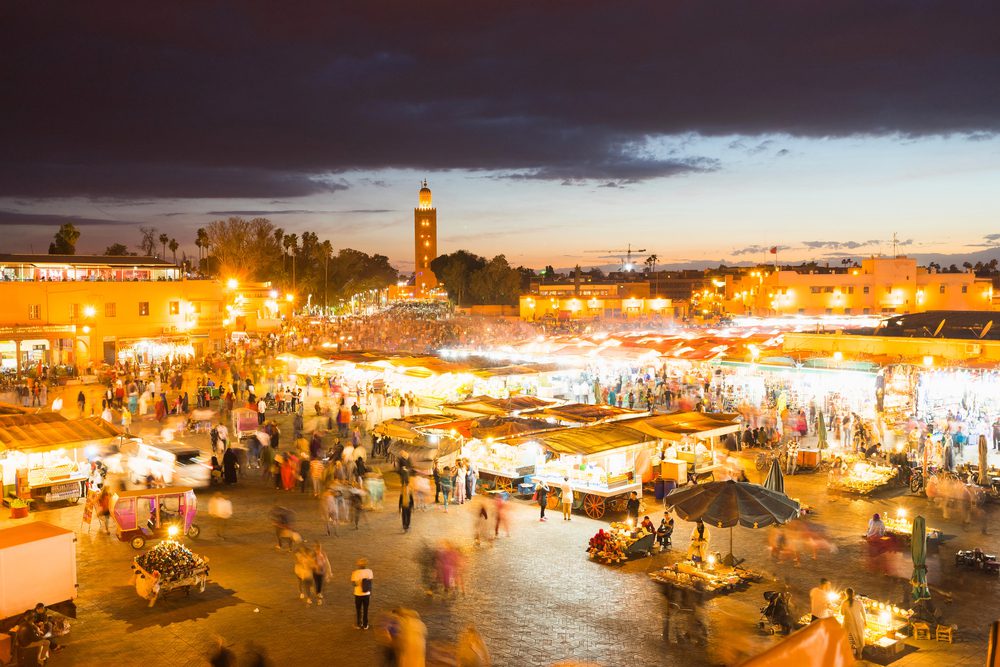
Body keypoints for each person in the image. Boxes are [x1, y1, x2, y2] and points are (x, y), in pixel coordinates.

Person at [840, 587, 867, 659]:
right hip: (858, 623)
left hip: (848, 624)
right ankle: (859, 654)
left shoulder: (844, 603)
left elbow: (842, 613)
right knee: (859, 638)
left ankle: (851, 655)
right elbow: (863, 613)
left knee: (850, 640)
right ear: (853, 594)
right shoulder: (859, 602)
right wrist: (865, 621)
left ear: (846, 594)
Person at [351, 558, 374, 630]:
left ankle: (358, 624)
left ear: (359, 565)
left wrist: (358, 582)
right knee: (366, 609)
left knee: (358, 610)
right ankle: (365, 625)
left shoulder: (355, 573)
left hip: (358, 594)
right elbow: (370, 582)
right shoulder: (370, 571)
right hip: (367, 594)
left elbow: (353, 584)